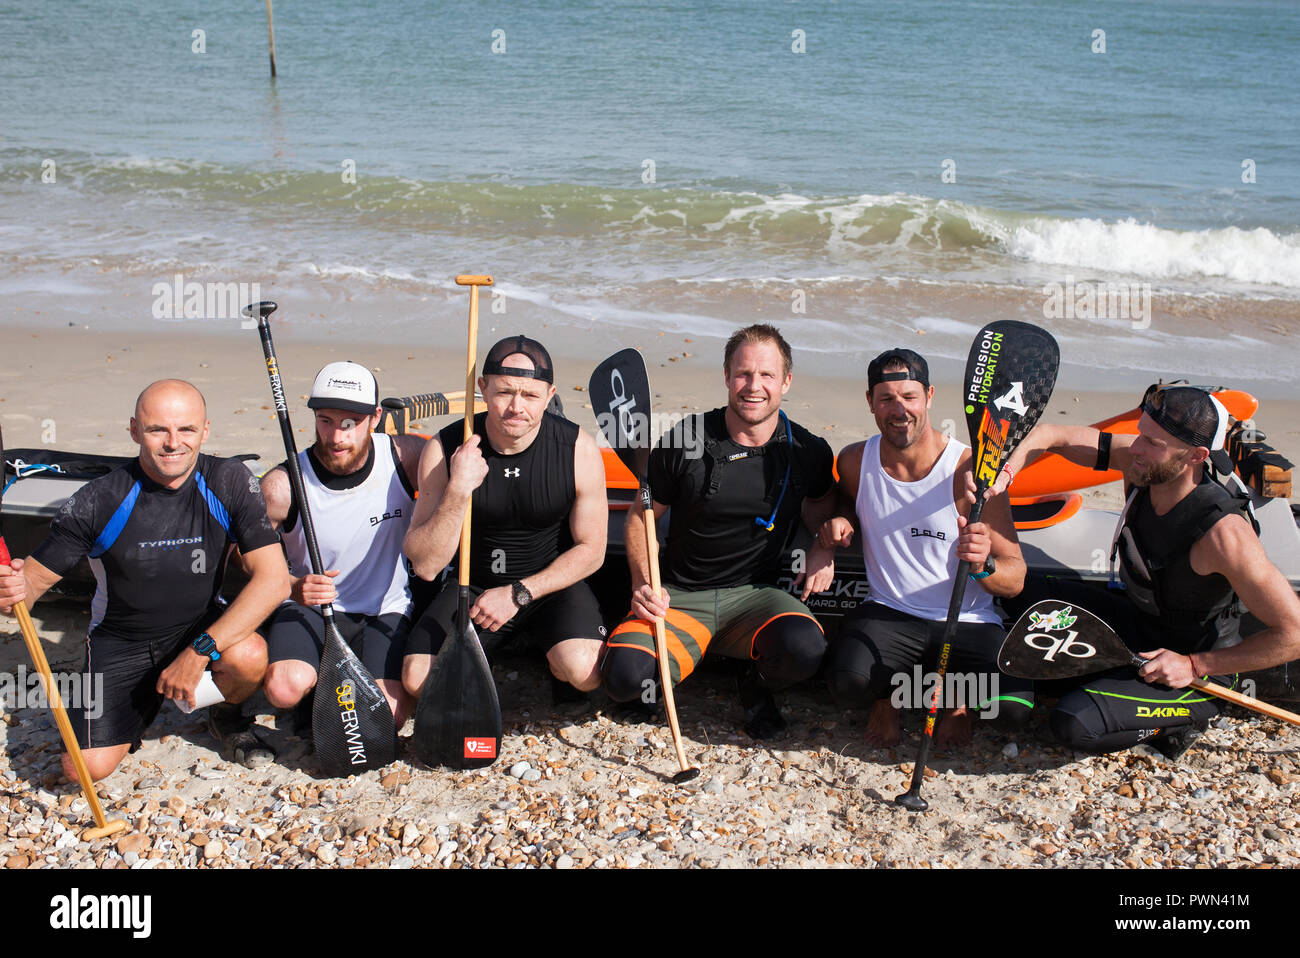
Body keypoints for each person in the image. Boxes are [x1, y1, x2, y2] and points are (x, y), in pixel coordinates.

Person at [0, 380, 290, 780]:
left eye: (186, 429)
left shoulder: (229, 481)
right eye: (158, 430)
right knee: (83, 769)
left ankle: (224, 715)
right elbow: (28, 588)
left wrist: (198, 652)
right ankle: (134, 702)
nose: (173, 443)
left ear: (205, 431)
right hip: (121, 643)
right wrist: (12, 590)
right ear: (135, 430)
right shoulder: (98, 500)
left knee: (250, 655)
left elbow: (274, 582)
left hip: (198, 630)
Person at [994, 384, 1300, 757]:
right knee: (1013, 590)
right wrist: (1004, 475)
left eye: (1154, 443)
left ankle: (1179, 722)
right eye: (1141, 434)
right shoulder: (1143, 465)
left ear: (1196, 456)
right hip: (1138, 625)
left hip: (1197, 668)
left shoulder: (1224, 535)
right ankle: (1105, 677)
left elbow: (1294, 633)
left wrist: (1195, 664)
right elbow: (1050, 436)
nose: (1135, 448)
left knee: (1073, 724)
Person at [602, 323, 836, 738]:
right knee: (624, 681)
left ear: (786, 381)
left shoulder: (807, 451)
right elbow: (641, 516)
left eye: (766, 375)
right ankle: (679, 666)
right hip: (678, 598)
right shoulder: (686, 440)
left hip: (754, 601)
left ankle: (754, 682)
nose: (753, 386)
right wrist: (642, 583)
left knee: (805, 649)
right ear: (727, 376)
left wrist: (824, 545)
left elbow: (822, 503)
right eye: (743, 373)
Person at [809, 348, 1033, 748]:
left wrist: (983, 566)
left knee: (1013, 710)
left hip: (967, 620)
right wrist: (837, 528)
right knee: (846, 685)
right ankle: (888, 700)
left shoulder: (973, 469)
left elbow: (1015, 577)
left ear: (929, 396)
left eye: (909, 397)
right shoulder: (855, 461)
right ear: (870, 403)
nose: (899, 409)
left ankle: (956, 699)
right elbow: (848, 502)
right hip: (889, 612)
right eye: (886, 399)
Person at [402, 335, 608, 701]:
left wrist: (518, 594)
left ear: (550, 395)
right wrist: (459, 489)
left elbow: (592, 549)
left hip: (550, 585)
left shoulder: (578, 449)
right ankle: (499, 656)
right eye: (504, 392)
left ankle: (548, 655)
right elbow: (426, 565)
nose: (516, 407)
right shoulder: (447, 448)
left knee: (585, 672)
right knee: (418, 680)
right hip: (474, 584)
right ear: (482, 388)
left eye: (530, 395)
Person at [259, 362, 423, 732]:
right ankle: (317, 688)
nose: (336, 436)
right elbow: (245, 558)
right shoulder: (283, 485)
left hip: (385, 610)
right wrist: (291, 585)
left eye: (350, 423)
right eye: (326, 420)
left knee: (392, 718)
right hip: (310, 607)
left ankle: (330, 691)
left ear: (376, 417)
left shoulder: (406, 457)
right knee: (283, 690)